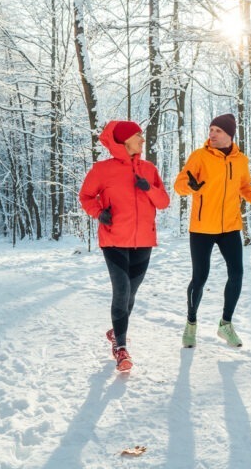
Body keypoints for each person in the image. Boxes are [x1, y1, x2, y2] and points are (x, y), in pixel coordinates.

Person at [174, 113, 251, 349]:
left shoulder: (241, 160)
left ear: (229, 134)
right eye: (211, 130)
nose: (212, 134)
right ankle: (191, 324)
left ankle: (225, 324)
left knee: (237, 274)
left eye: (217, 130)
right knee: (200, 278)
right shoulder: (200, 156)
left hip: (229, 227)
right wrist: (190, 185)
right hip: (202, 228)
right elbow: (179, 185)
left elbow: (244, 186)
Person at [79, 120, 170, 371]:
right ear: (125, 140)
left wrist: (148, 187)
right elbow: (86, 196)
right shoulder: (102, 170)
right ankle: (120, 347)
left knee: (131, 292)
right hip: (114, 239)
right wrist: (99, 213)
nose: (142, 140)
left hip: (143, 241)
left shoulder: (148, 169)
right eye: (138, 135)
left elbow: (163, 202)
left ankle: (116, 330)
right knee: (121, 290)